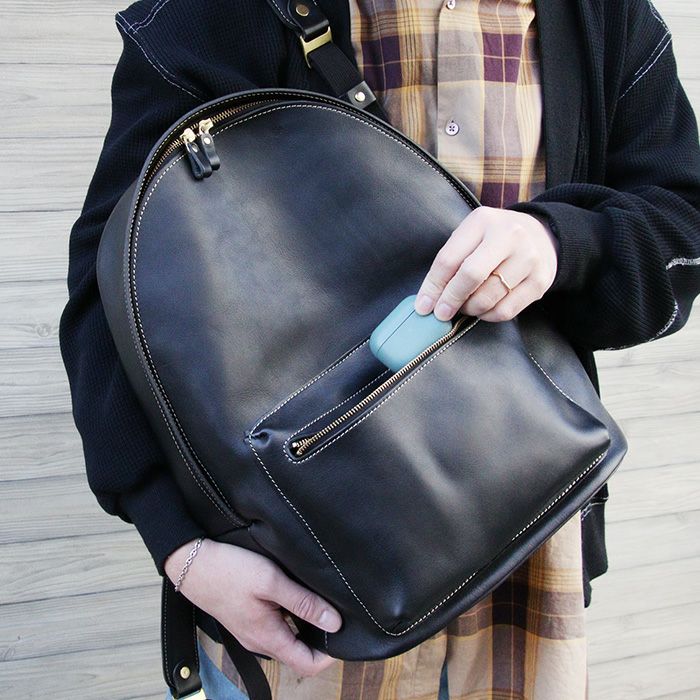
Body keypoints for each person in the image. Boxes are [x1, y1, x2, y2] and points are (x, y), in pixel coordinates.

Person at [59, 0, 700, 698]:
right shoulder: (221, 13)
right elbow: (110, 278)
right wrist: (179, 546)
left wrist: (562, 244)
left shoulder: (602, 16)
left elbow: (681, 222)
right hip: (303, 604)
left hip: (530, 568)